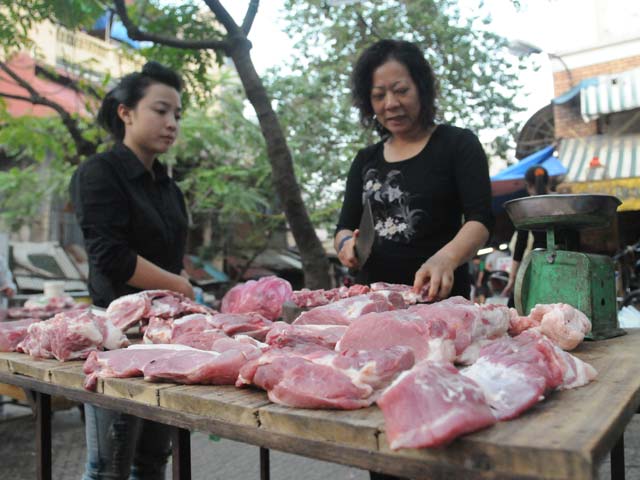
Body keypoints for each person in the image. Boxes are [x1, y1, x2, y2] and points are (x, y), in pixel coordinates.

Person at [69, 61, 194, 480]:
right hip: (115, 337)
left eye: (177, 114)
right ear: (125, 112)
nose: (171, 123)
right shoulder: (98, 174)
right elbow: (110, 256)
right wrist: (177, 284)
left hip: (165, 336)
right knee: (108, 467)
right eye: (160, 110)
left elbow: (173, 254)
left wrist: (180, 289)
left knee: (153, 461)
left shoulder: (169, 188)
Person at [334, 39, 494, 305]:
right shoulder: (365, 159)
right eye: (378, 95)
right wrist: (346, 245)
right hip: (374, 305)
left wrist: (446, 259)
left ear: (422, 89)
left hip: (439, 303)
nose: (391, 103)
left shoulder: (457, 144)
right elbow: (344, 227)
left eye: (401, 90)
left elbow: (480, 220)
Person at [502, 165, 550, 304]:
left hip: (536, 263)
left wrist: (512, 279)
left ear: (528, 185)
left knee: (517, 306)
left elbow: (520, 244)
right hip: (563, 263)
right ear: (548, 182)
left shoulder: (528, 207)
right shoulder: (562, 202)